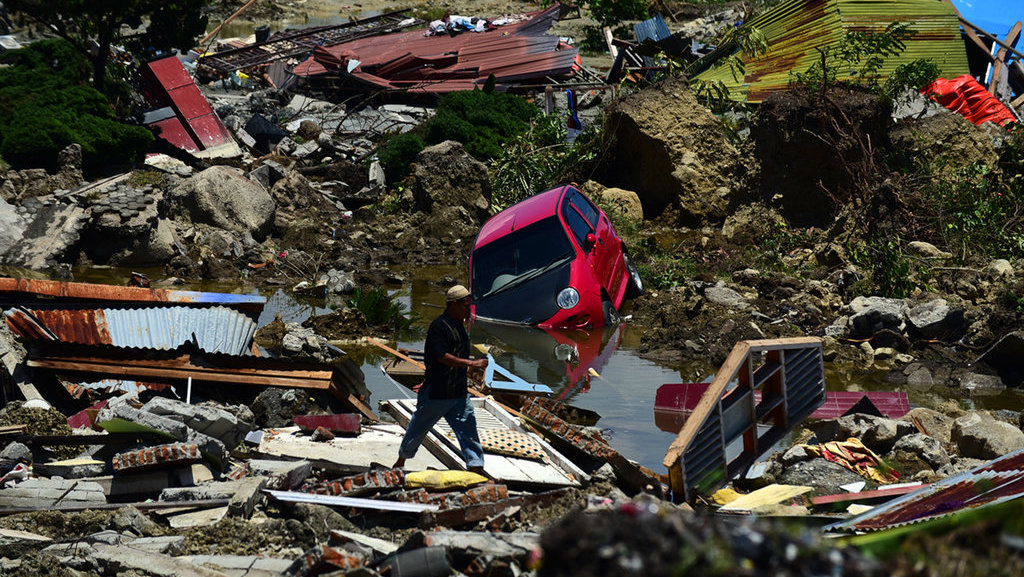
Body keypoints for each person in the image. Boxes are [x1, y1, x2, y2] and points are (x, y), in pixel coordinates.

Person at [393, 284, 488, 474]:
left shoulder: (460, 326)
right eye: (465, 306)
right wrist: (471, 364)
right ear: (454, 304)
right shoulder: (439, 326)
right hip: (437, 392)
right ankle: (401, 461)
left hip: (459, 392)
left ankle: (476, 468)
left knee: (468, 430)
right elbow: (441, 356)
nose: (468, 310)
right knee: (418, 428)